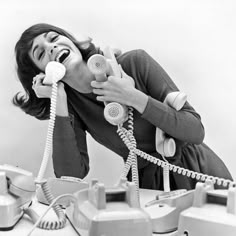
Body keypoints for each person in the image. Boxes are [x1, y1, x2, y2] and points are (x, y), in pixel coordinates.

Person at [13, 23, 233, 190]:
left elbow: (195, 130)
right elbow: (71, 174)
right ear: (43, 73)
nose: (51, 47)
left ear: (71, 41)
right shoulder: (71, 106)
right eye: (40, 53)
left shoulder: (134, 63)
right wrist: (58, 100)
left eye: (54, 38)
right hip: (148, 190)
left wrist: (133, 97)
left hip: (201, 175)